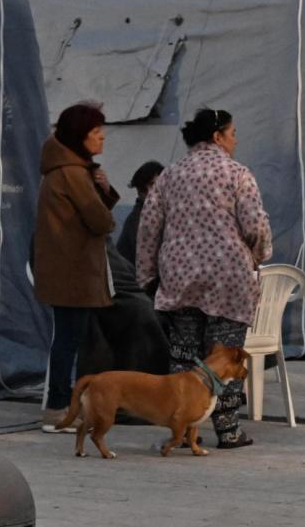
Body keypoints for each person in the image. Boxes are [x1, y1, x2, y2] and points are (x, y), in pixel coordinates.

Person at [135, 108, 272, 448]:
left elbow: (149, 229)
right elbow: (255, 225)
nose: (235, 140)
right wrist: (259, 255)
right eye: (233, 133)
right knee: (226, 356)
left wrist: (147, 276)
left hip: (180, 278)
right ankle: (228, 431)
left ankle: (181, 431)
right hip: (229, 280)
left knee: (184, 357)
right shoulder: (237, 174)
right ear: (217, 137)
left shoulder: (168, 176)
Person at [32, 102, 119, 432]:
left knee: (68, 338)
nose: (102, 139)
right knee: (67, 340)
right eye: (96, 133)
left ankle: (64, 402)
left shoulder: (71, 170)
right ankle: (57, 407)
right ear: (80, 137)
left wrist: (104, 189)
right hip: (73, 270)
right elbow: (99, 220)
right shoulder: (71, 173)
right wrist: (105, 205)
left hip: (68, 269)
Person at [116, 160, 164, 267]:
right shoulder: (137, 220)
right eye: (143, 189)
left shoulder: (171, 211)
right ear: (138, 192)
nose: (149, 192)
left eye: (153, 184)